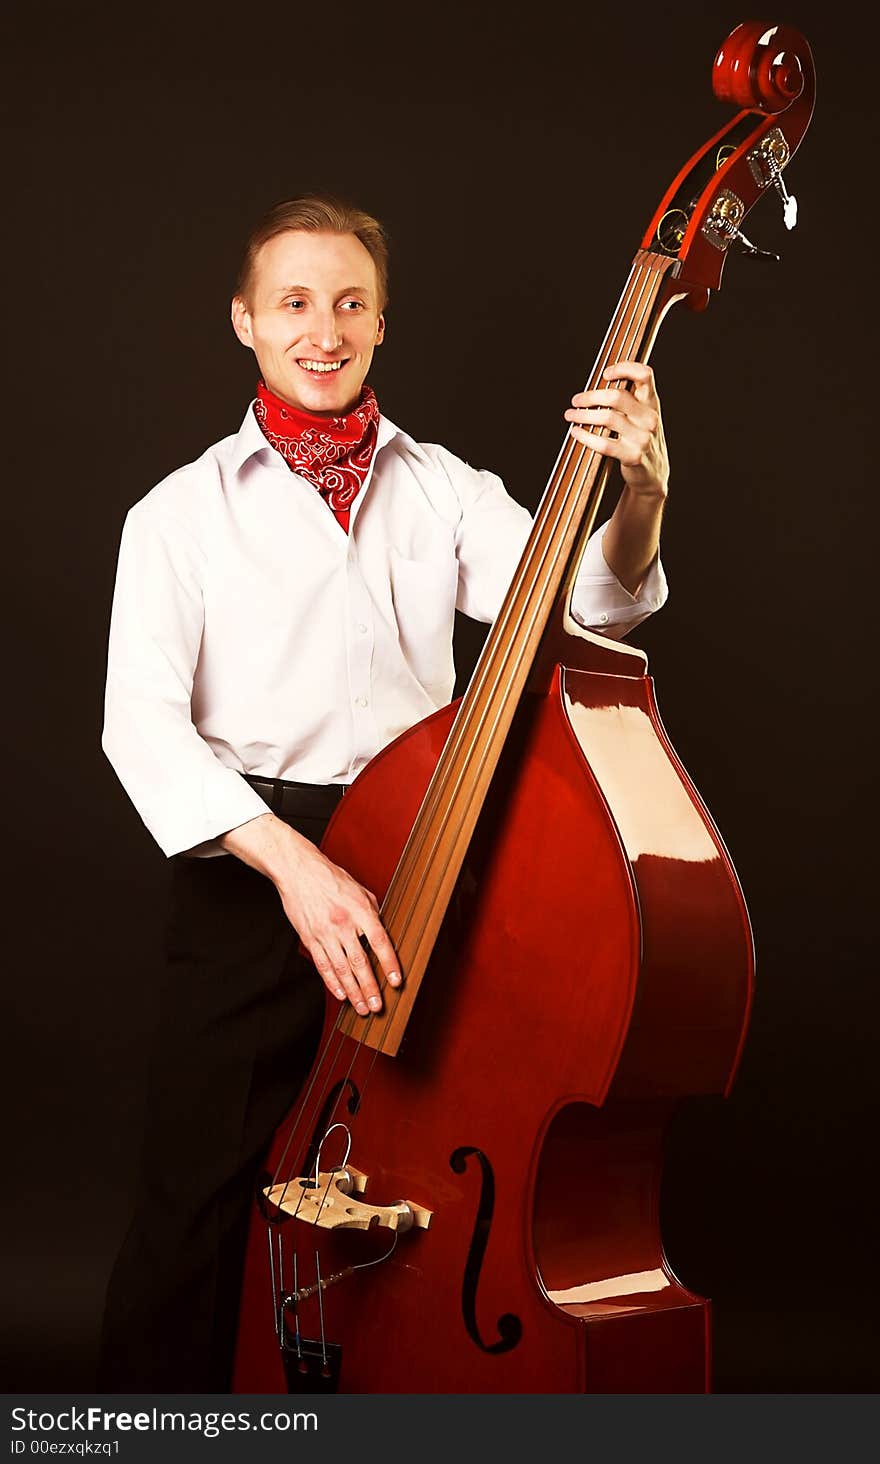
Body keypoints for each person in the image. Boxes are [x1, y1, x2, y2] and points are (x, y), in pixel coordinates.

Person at [97, 194, 670, 1392]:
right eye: (295, 302)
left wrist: (640, 497)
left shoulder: (444, 489)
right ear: (245, 321)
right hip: (257, 872)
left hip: (425, 850)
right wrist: (296, 868)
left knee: (408, 1173)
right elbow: (139, 730)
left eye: (350, 302)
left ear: (381, 322)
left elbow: (583, 615)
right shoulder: (178, 514)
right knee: (199, 1200)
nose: (325, 328)